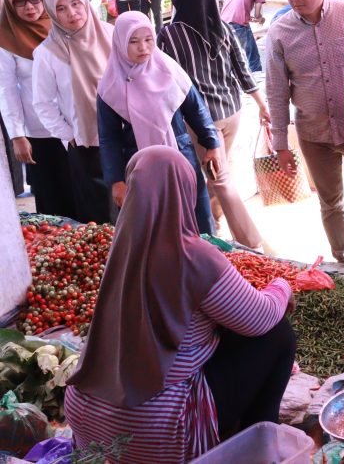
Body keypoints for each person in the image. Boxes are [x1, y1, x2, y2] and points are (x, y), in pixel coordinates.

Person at [65, 147, 296, 463]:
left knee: (221, 328)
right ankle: (256, 446)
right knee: (278, 334)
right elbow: (261, 317)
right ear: (185, 190)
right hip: (156, 433)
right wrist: (282, 287)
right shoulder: (192, 254)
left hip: (87, 420)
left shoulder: (122, 244)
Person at [161, 0, 271, 249]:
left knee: (219, 178)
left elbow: (163, 80)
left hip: (201, 121)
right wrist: (261, 104)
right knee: (217, 172)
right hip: (232, 112)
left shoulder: (170, 35)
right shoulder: (224, 28)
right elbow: (243, 71)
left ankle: (253, 242)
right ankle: (216, 229)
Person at [265, 0, 344, 263]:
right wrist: (280, 144)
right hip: (313, 133)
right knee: (331, 203)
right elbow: (276, 91)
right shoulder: (279, 32)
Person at [97, 12, 222, 236]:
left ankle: (208, 265)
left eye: (148, 39)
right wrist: (116, 180)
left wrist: (212, 144)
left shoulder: (169, 70)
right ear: (119, 43)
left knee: (198, 219)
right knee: (155, 225)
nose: (142, 47)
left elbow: (195, 109)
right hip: (140, 165)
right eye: (133, 41)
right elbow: (109, 137)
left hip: (181, 158)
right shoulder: (110, 86)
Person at [34, 0, 115, 224]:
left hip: (124, 137)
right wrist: (70, 135)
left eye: (75, 3)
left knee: (135, 205)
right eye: (61, 8)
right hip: (85, 146)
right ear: (51, 12)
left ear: (85, 2)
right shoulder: (48, 52)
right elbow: (43, 103)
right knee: (98, 214)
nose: (71, 13)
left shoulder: (112, 35)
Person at [0, 0, 75, 217]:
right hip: (38, 131)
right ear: (9, 2)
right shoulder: (4, 38)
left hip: (73, 123)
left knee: (81, 191)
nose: (30, 7)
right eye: (19, 2)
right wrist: (18, 135)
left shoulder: (60, 26)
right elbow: (6, 89)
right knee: (51, 196)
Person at [220, 0, 267, 73]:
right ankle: (257, 83)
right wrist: (261, 19)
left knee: (232, 55)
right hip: (238, 25)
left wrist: (251, 18)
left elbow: (235, 8)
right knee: (252, 57)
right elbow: (257, 14)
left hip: (222, 24)